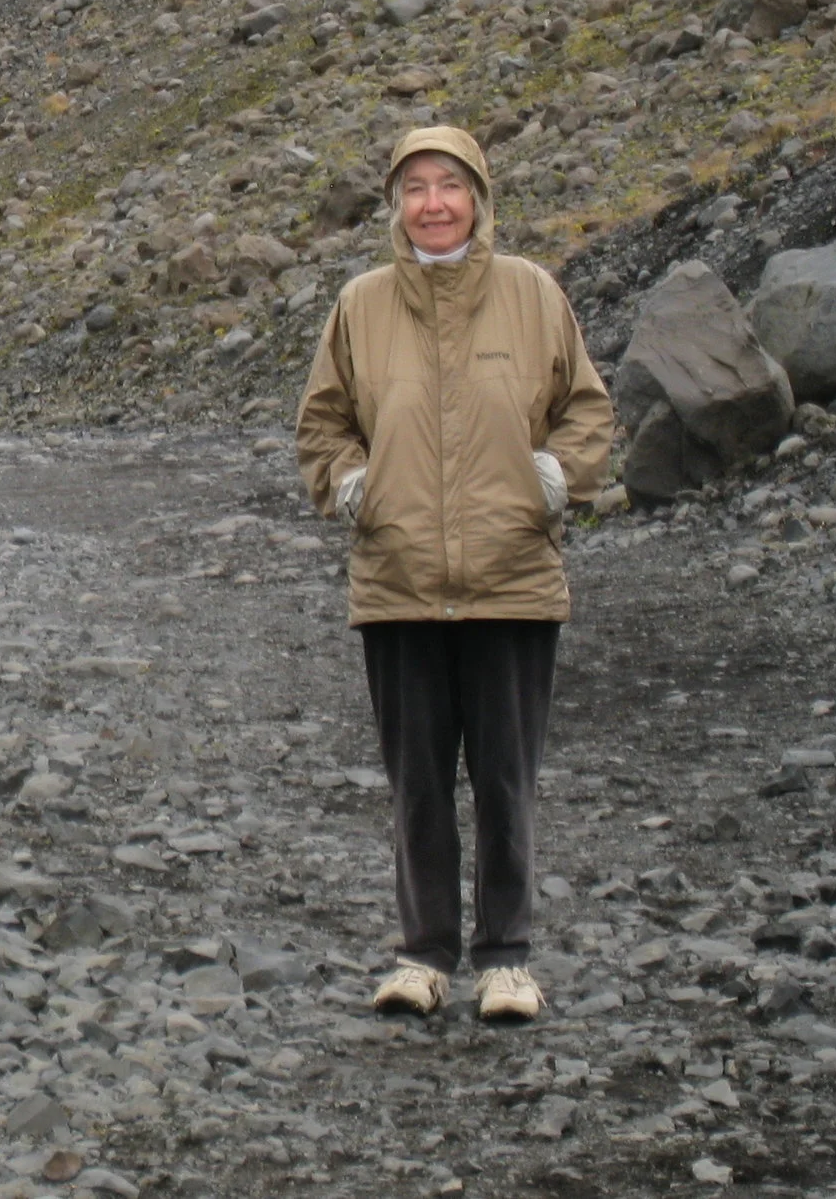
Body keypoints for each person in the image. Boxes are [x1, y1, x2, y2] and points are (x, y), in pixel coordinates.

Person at [297, 126, 612, 1025]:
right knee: (420, 780)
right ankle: (424, 953)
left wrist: (551, 480)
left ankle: (505, 957)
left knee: (508, 776)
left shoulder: (531, 293)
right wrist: (353, 487)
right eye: (414, 188)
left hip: (511, 574)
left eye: (449, 185)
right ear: (395, 204)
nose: (432, 202)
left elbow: (585, 408)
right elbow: (321, 424)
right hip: (399, 579)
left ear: (478, 195)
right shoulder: (360, 305)